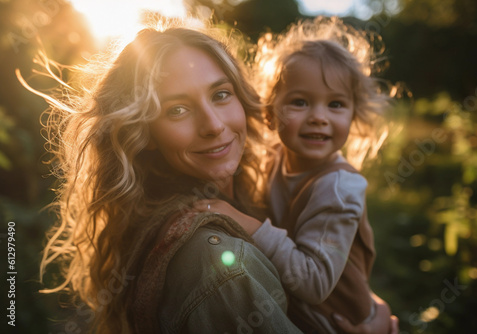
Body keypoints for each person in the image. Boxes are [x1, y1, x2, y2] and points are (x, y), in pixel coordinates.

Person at [22, 20, 303, 333]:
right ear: (146, 133)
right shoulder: (222, 265)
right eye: (177, 110)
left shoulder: (170, 220)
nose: (213, 125)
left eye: (221, 94)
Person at [201, 17, 399, 333]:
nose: (318, 117)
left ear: (353, 114)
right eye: (300, 102)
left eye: (335, 104)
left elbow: (314, 282)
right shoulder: (273, 158)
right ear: (269, 112)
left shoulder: (338, 187)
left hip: (336, 322)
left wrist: (247, 224)